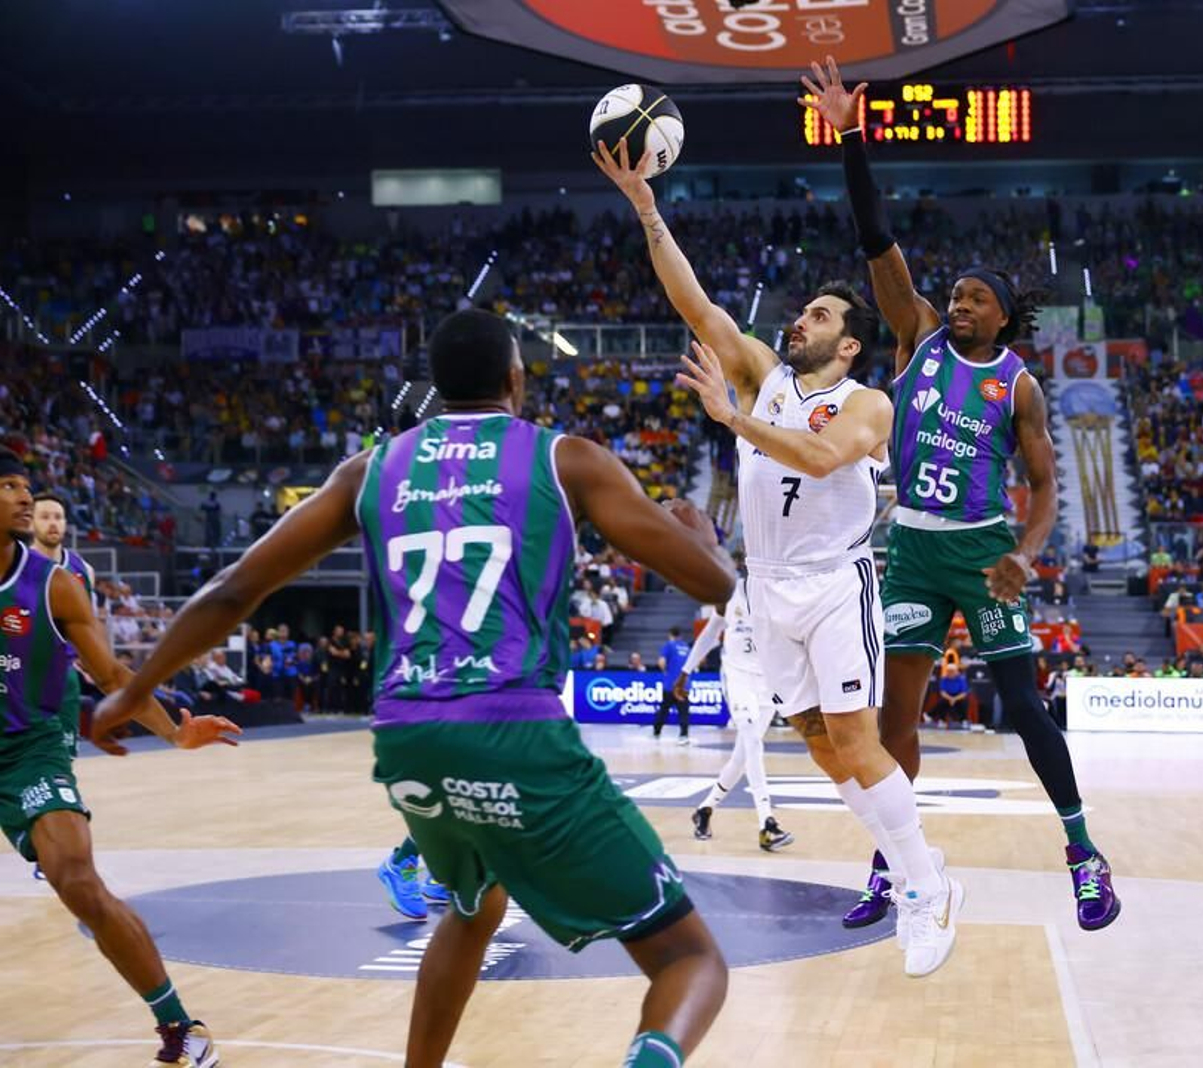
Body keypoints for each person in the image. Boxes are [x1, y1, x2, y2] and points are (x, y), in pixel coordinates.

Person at [94, 310, 737, 1068]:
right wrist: (701, 531)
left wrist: (134, 688)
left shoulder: (369, 470)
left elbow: (234, 590)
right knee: (689, 959)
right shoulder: (569, 460)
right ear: (515, 381)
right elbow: (716, 584)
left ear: (436, 389)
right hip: (513, 725)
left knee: (472, 907)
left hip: (407, 737)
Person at [599, 131, 964, 976]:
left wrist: (732, 420)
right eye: (804, 310)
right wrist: (649, 210)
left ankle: (923, 888)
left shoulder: (868, 402)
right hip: (768, 589)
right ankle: (925, 872)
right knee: (820, 747)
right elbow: (698, 307)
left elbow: (823, 459)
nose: (802, 317)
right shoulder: (765, 376)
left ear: (848, 345)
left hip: (836, 584)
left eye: (823, 315)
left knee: (856, 739)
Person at [803, 56, 1119, 933]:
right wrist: (852, 138)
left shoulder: (1017, 385)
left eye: (974, 297)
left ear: (1004, 313)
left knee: (1021, 706)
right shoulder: (916, 336)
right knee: (891, 719)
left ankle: (1084, 855)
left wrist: (1023, 551)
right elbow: (876, 242)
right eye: (955, 294)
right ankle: (893, 867)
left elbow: (1049, 487)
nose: (958, 301)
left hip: (982, 550)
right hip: (908, 547)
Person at [2, 452, 240, 1068]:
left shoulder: (54, 584)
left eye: (28, 487)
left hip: (29, 750)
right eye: (9, 487)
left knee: (78, 881)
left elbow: (111, 672)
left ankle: (178, 1025)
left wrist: (175, 734)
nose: (25, 499)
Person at [682, 558, 795, 852]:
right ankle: (766, 822)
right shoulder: (728, 594)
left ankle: (704, 810)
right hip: (737, 676)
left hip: (767, 682)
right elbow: (709, 633)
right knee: (752, 742)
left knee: (742, 755)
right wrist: (686, 670)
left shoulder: (780, 595)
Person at [30, 492, 97, 747]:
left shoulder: (83, 570)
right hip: (20, 673)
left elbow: (87, 627)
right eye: (45, 517)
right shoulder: (14, 565)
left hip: (63, 675)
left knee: (64, 755)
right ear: (31, 522)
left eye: (58, 517)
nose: (52, 523)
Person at [653, 626, 693, 745]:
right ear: (680, 635)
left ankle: (656, 732)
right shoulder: (687, 647)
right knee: (684, 712)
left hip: (671, 684)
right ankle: (684, 735)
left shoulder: (669, 645)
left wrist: (665, 671)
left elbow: (661, 662)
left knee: (664, 710)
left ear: (670, 634)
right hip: (684, 685)